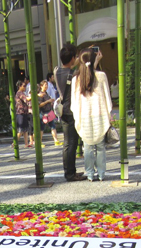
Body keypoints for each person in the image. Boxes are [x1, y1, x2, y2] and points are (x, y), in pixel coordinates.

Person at [70, 48, 113, 182]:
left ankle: (89, 174)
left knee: (87, 146)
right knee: (100, 146)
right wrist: (109, 113)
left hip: (84, 116)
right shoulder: (101, 76)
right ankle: (101, 174)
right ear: (94, 60)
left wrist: (77, 116)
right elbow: (107, 96)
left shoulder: (76, 79)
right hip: (99, 114)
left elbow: (74, 102)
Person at [55, 43, 86, 182]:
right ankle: (69, 174)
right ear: (73, 58)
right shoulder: (72, 75)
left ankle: (70, 171)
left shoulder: (57, 72)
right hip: (70, 111)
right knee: (71, 143)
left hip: (63, 111)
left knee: (69, 142)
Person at [38, 80, 62, 145]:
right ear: (41, 86)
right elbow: (39, 105)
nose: (46, 86)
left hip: (49, 112)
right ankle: (39, 142)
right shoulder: (40, 94)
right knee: (42, 128)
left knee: (53, 126)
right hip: (43, 113)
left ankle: (56, 140)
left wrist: (50, 102)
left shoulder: (46, 93)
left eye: (47, 85)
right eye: (45, 85)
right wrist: (48, 101)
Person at [14, 80, 31, 148]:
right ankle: (14, 143)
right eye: (23, 86)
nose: (25, 87)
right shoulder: (20, 93)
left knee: (25, 129)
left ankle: (26, 143)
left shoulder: (22, 93)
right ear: (19, 86)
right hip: (20, 112)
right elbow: (26, 99)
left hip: (24, 112)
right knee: (20, 130)